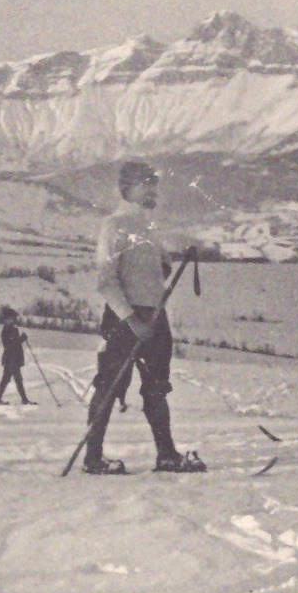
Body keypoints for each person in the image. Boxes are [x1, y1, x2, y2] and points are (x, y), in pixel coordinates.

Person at [82, 160, 205, 475]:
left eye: (154, 183)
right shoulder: (115, 226)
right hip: (125, 318)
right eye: (148, 184)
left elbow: (155, 272)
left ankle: (166, 456)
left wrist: (175, 260)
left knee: (156, 387)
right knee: (109, 386)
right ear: (130, 188)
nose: (154, 190)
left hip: (154, 316)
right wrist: (130, 319)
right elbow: (106, 281)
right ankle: (92, 459)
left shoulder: (149, 226)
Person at [0, 306, 35, 405]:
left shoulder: (12, 328)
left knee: (10, 379)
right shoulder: (7, 329)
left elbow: (14, 343)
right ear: (8, 318)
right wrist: (21, 339)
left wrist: (20, 339)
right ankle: (23, 400)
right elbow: (10, 345)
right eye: (13, 317)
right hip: (11, 359)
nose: (15, 319)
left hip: (14, 359)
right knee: (15, 380)